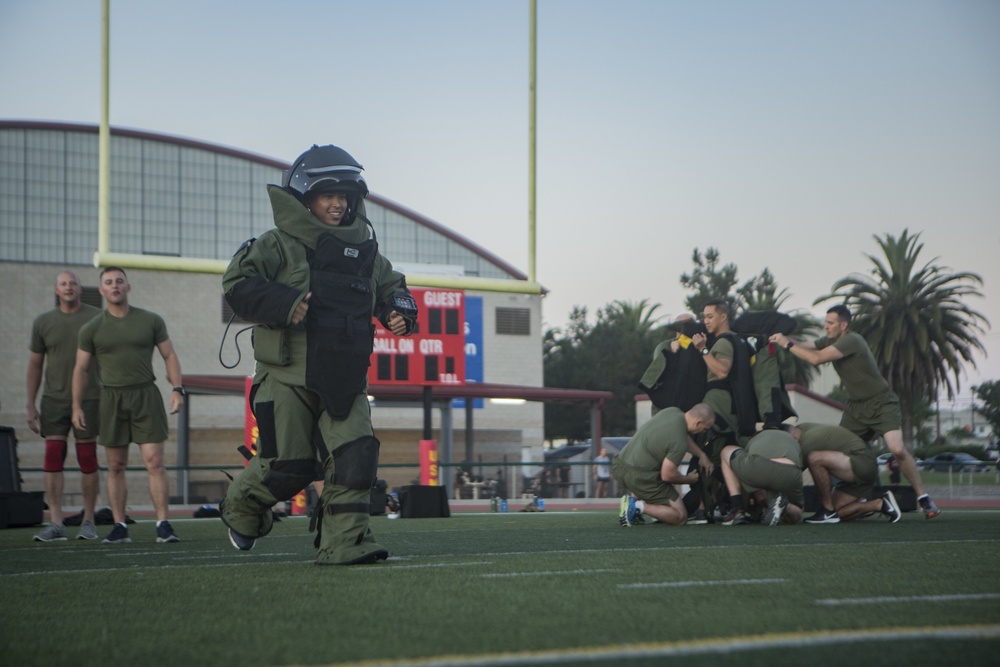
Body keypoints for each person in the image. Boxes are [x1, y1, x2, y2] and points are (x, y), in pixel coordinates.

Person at [219, 144, 417, 566]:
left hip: (345, 376)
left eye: (344, 195)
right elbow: (237, 283)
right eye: (328, 195)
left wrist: (398, 310)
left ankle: (345, 544)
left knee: (355, 457)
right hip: (285, 375)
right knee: (287, 466)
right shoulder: (277, 244)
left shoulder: (366, 252)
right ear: (305, 197)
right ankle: (241, 509)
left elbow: (392, 287)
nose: (338, 203)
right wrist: (285, 303)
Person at [769, 304, 941, 518]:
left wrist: (786, 344)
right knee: (839, 451)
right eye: (825, 322)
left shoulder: (852, 340)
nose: (826, 326)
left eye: (830, 323)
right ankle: (859, 500)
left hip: (881, 403)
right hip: (855, 408)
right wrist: (779, 340)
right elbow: (806, 346)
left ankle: (923, 499)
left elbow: (816, 358)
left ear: (844, 325)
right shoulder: (829, 340)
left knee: (896, 449)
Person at [72, 267, 185, 544]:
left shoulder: (150, 320)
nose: (114, 286)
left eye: (119, 281)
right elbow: (81, 369)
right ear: (101, 290)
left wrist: (177, 389)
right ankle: (120, 525)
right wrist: (76, 405)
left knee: (155, 462)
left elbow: (169, 355)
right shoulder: (92, 328)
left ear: (128, 287)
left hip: (145, 395)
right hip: (111, 399)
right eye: (108, 283)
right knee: (116, 465)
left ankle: (163, 525)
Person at [27, 271, 102, 541]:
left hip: (90, 399)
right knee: (53, 456)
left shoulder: (96, 317)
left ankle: (89, 521)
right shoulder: (43, 322)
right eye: (63, 284)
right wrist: (30, 404)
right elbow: (35, 365)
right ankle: (56, 523)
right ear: (56, 290)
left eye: (73, 283)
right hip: (53, 400)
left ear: (81, 289)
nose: (68, 287)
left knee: (87, 458)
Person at [614, 403, 715, 526]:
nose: (703, 431)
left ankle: (634, 503)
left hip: (620, 465)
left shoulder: (672, 412)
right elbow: (667, 475)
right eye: (705, 429)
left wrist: (701, 455)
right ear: (698, 423)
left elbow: (682, 435)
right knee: (681, 516)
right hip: (638, 477)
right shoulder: (679, 443)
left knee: (649, 464)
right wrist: (688, 479)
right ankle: (636, 506)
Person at [785, 422, 901, 524]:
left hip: (862, 463)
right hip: (857, 468)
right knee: (840, 513)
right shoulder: (802, 428)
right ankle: (880, 504)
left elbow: (792, 476)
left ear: (794, 437)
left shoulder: (806, 444)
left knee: (814, 458)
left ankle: (827, 510)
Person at [719, 429, 805, 526]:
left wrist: (763, 504)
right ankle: (786, 506)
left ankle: (737, 509)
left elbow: (760, 495)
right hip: (791, 473)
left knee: (726, 451)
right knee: (797, 513)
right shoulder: (792, 440)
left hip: (758, 467)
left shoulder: (754, 440)